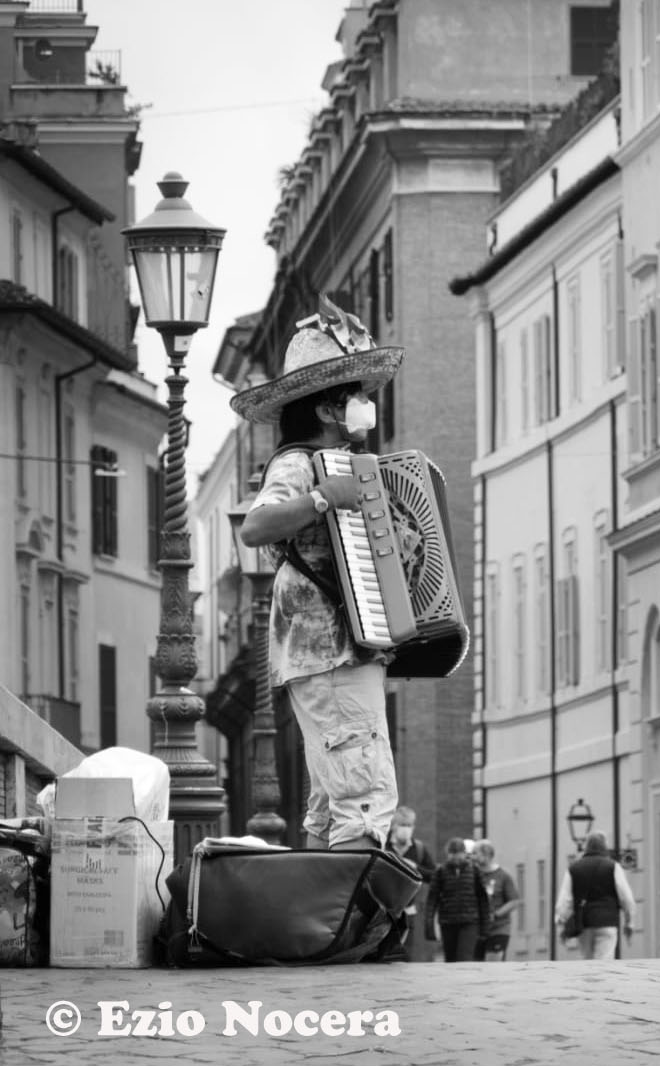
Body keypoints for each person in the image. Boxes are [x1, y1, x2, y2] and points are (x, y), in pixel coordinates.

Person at [234, 298, 403, 850]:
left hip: (336, 649)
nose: (364, 404)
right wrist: (323, 497)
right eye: (354, 394)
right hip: (325, 648)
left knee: (333, 802)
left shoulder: (349, 464)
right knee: (364, 794)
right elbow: (255, 527)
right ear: (328, 410)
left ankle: (326, 928)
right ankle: (354, 926)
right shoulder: (297, 462)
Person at [555, 831, 637, 960]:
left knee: (586, 960)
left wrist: (561, 921)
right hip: (607, 922)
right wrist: (629, 922)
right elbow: (626, 898)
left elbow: (565, 900)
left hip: (584, 923)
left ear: (586, 847)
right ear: (604, 846)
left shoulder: (574, 868)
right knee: (604, 961)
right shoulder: (613, 867)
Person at [385, 806, 437, 960]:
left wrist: (415, 868)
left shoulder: (418, 849)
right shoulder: (384, 846)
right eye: (402, 825)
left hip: (409, 910)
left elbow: (433, 876)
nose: (406, 829)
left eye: (409, 825)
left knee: (406, 953)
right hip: (385, 909)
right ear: (394, 825)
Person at [426, 837, 489, 962]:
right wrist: (429, 926)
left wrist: (485, 926)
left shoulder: (474, 871)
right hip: (448, 922)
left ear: (465, 854)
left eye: (458, 853)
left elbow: (483, 899)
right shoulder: (440, 872)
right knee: (450, 959)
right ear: (448, 854)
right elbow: (432, 899)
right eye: (452, 854)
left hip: (470, 921)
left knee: (464, 958)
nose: (456, 857)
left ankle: (464, 980)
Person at [472, 840, 521, 960]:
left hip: (499, 928)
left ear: (487, 855)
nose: (472, 857)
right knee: (475, 966)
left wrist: (497, 914)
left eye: (475, 853)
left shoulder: (503, 876)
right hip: (476, 929)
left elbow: (514, 901)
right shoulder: (472, 875)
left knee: (492, 964)